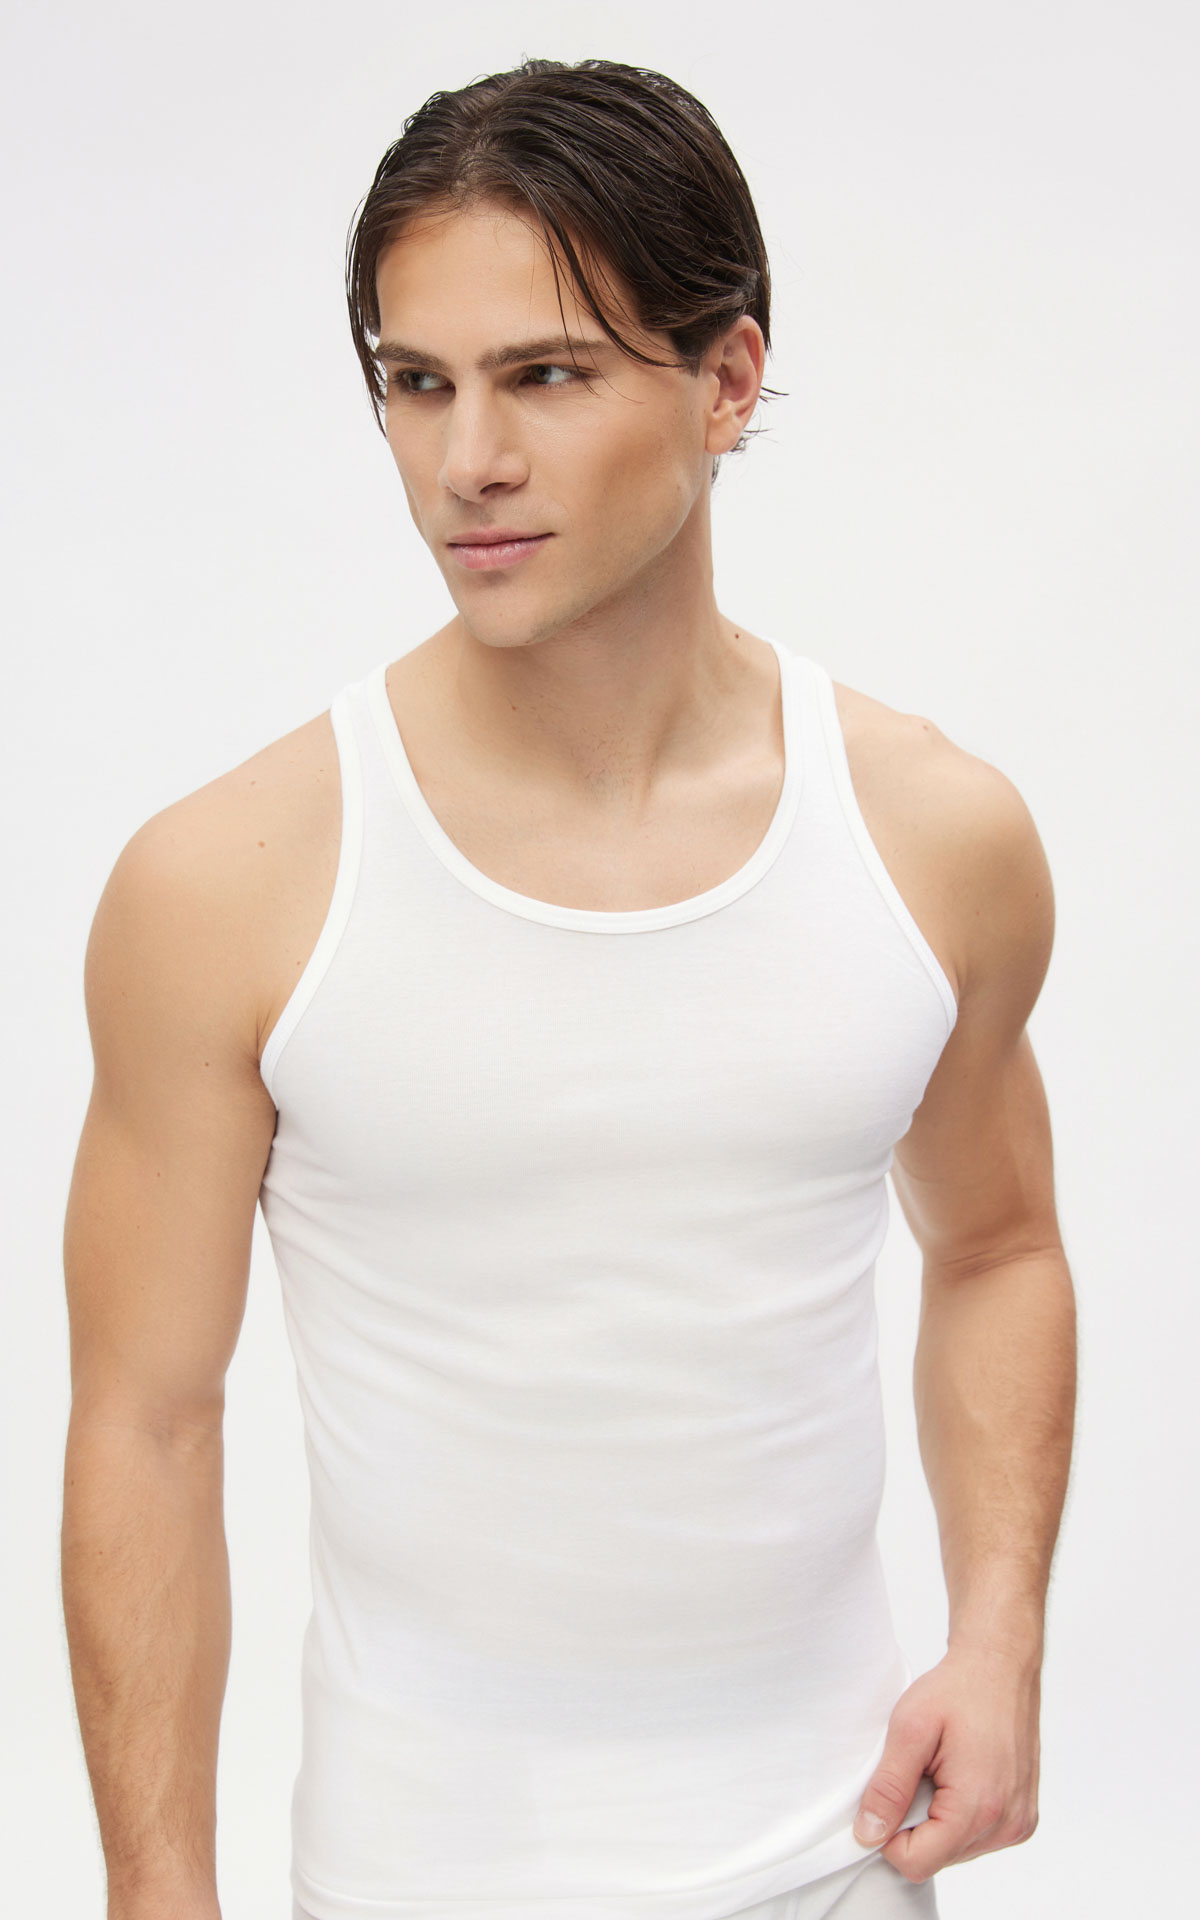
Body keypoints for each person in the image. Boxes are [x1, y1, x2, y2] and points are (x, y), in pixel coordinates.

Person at [60, 56, 1077, 1920]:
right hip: (411, 1880)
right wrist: (155, 1897)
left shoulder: (932, 838)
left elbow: (1001, 1246)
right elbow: (146, 1420)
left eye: (543, 375)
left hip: (843, 1860)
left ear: (728, 381)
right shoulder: (226, 889)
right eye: (415, 382)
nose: (468, 462)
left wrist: (1000, 1636)